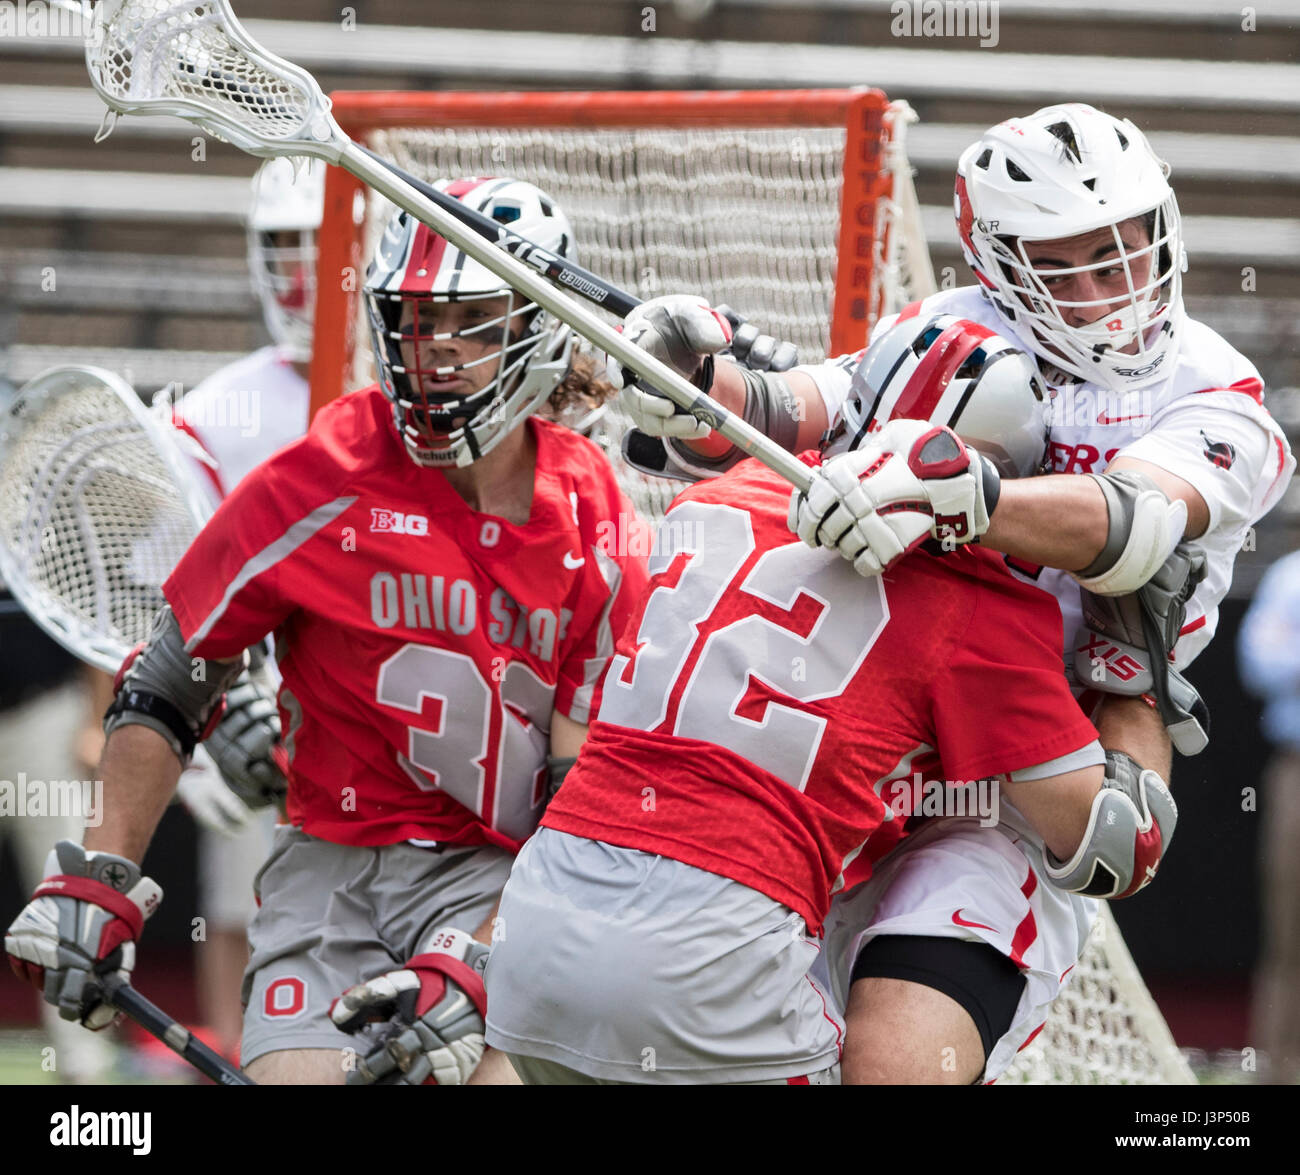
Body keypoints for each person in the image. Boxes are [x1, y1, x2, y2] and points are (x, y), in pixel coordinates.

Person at [614, 103, 1293, 1081]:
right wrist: (695, 386)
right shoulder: (950, 328)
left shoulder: (1214, 391)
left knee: (896, 1052)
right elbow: (805, 407)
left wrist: (963, 494)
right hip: (865, 729)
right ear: (1006, 272)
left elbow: (1133, 519)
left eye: (1128, 250)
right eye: (1071, 264)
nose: (1115, 292)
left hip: (1040, 745)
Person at [5, 176, 648, 1086]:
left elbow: (581, 791)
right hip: (331, 872)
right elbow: (173, 676)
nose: (434, 354)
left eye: (467, 322)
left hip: (503, 876)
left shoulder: (594, 514)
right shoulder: (326, 472)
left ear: (535, 325)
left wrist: (488, 952)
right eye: (413, 323)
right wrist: (100, 874)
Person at [483, 315, 1177, 1084]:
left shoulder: (724, 492)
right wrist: (1140, 679)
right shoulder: (979, 605)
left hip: (534, 928)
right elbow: (1117, 845)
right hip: (705, 962)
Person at [1238, 549, 1300, 1084]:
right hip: (1296, 773)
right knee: (1290, 936)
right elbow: (1259, 661)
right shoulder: (1290, 577)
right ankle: (1279, 1077)